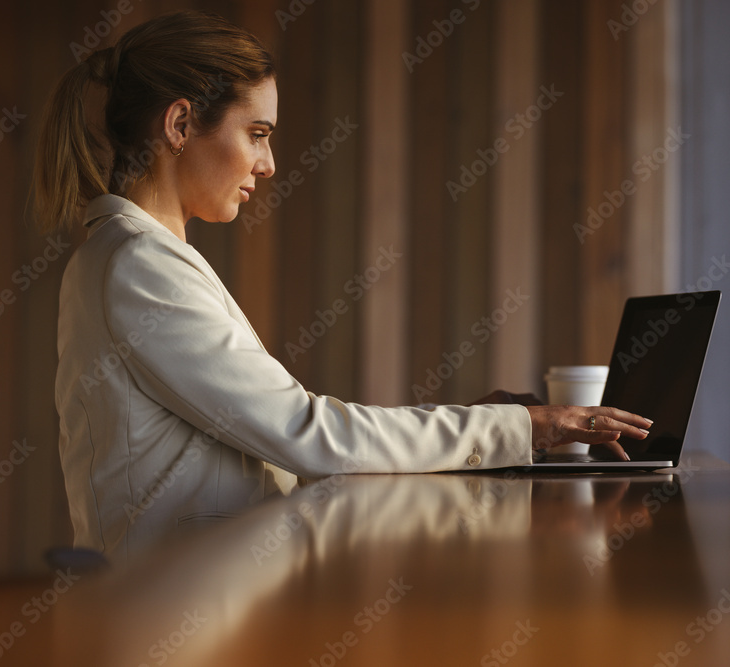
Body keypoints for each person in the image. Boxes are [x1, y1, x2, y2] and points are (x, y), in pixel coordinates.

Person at [32, 10, 652, 564]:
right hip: (178, 617)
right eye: (257, 133)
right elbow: (309, 435)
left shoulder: (143, 257)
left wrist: (489, 424)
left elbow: (285, 441)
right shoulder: (140, 266)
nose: (268, 164)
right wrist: (518, 427)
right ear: (180, 123)